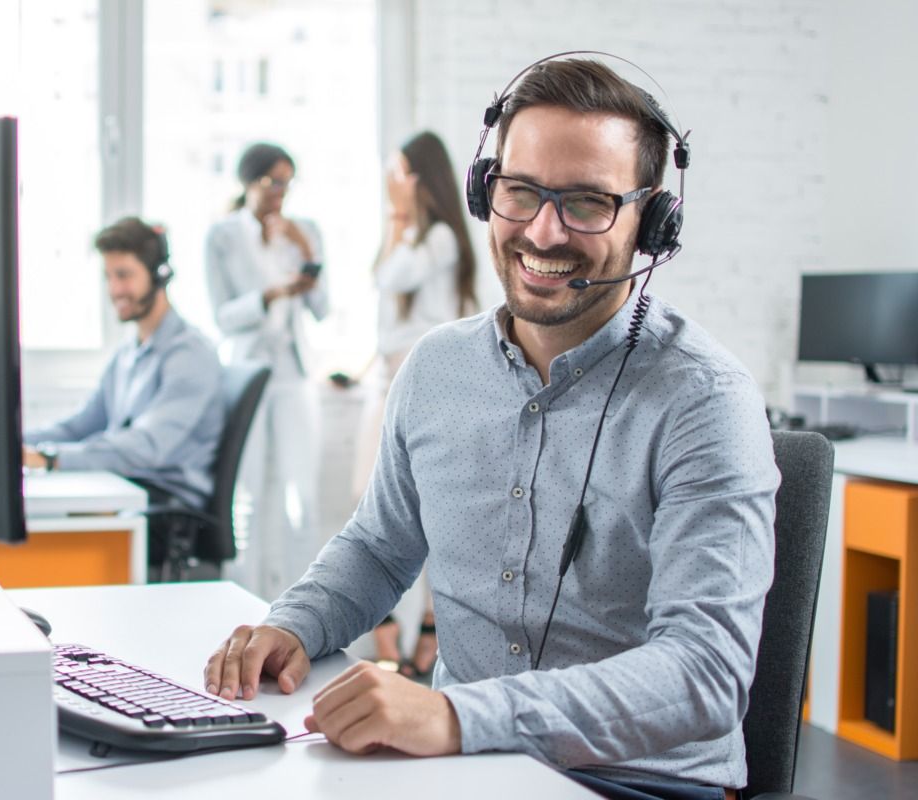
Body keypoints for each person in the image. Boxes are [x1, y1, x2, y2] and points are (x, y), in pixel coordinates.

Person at [204, 57, 778, 800]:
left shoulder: (705, 401)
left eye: (588, 202)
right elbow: (380, 548)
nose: (544, 230)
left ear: (651, 222)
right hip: (464, 772)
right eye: (522, 191)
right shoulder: (436, 368)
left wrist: (455, 717)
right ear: (486, 191)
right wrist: (295, 625)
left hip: (638, 784)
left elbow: (705, 673)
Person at [24, 217, 224, 567]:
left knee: (44, 537)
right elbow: (81, 425)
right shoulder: (128, 352)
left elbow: (147, 447)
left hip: (166, 512)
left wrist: (51, 458)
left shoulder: (190, 355)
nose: (115, 289)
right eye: (109, 276)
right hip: (126, 493)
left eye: (124, 275)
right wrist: (14, 443)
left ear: (159, 274)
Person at [352, 131, 477, 678]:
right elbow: (381, 286)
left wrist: (398, 220)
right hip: (384, 379)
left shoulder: (443, 238)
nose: (393, 185)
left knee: (427, 508)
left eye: (400, 173)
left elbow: (391, 275)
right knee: (370, 503)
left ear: (422, 178)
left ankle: (424, 627)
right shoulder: (413, 236)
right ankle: (387, 632)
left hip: (421, 383)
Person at [204, 142, 329, 601]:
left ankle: (308, 609)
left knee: (302, 500)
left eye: (286, 183)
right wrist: (271, 295)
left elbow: (321, 306)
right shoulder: (222, 236)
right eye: (271, 182)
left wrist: (304, 250)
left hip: (293, 374)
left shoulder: (305, 230)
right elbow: (222, 316)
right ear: (247, 182)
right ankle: (242, 606)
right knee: (247, 498)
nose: (280, 192)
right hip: (247, 373)